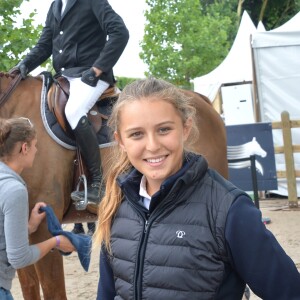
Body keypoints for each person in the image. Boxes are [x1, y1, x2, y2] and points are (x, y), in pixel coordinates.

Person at [94, 77, 300, 300]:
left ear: (185, 128)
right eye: (136, 134)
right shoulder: (116, 206)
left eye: (164, 130)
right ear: (121, 141)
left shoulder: (229, 209)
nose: (152, 146)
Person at [14, 0, 129, 205]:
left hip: (91, 76)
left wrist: (97, 69)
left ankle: (98, 183)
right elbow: (45, 44)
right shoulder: (56, 5)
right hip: (66, 77)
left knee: (74, 110)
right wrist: (24, 64)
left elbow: (120, 32)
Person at [0, 117, 75, 299]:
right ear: (24, 148)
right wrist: (55, 242)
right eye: (34, 145)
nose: (36, 150)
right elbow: (19, 258)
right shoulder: (14, 189)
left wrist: (29, 227)